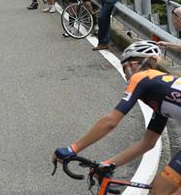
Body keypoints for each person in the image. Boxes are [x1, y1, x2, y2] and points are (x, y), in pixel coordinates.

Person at [53, 41, 181, 195]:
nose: (125, 74)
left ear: (133, 64)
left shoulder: (141, 77)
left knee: (161, 190)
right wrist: (108, 165)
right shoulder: (160, 90)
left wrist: (72, 149)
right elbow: (147, 143)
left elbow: (110, 121)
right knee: (161, 189)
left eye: (124, 68)